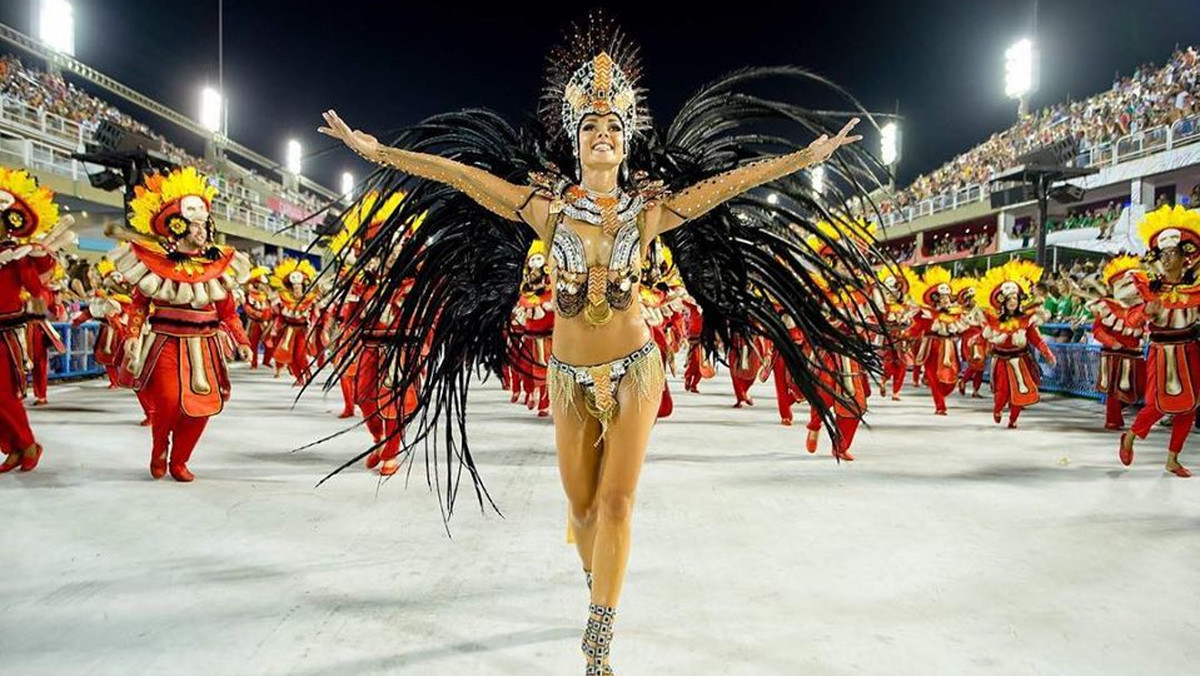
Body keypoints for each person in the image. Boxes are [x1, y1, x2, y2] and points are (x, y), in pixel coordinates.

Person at [317, 15, 884, 674]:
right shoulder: (543, 208)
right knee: (582, 507)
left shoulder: (651, 211)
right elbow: (459, 177)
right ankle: (598, 583)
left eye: (614, 126)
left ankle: (599, 636)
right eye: (591, 126)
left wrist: (803, 159)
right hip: (566, 373)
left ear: (629, 139)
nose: (604, 134)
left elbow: (731, 185)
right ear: (575, 138)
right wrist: (381, 153)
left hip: (636, 367)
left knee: (616, 503)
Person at [113, 166, 253, 481]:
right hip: (165, 341)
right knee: (168, 400)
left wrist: (242, 340)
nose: (201, 228)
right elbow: (139, 303)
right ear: (177, 224)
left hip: (206, 345)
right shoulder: (155, 263)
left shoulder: (220, 264)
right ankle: (160, 444)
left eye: (205, 222)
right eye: (194, 222)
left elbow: (228, 311)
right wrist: (133, 334)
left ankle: (180, 459)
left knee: (201, 406)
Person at [0, 166, 74, 473]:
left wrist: (38, 251)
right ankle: (15, 447)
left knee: (3, 394)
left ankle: (27, 444)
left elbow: (37, 285)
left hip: (5, 333)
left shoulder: (19, 255)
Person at [1119, 205, 1200, 477]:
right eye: (1162, 254)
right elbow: (1128, 319)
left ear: (1184, 256)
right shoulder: (1146, 286)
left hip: (1189, 350)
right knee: (1156, 404)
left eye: (1172, 253)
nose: (1166, 259)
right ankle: (1131, 436)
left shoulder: (1195, 287)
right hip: (1161, 351)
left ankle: (1172, 459)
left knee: (1190, 405)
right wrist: (1144, 312)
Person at [977, 261, 1057, 428]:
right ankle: (998, 409)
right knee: (1003, 392)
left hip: (1021, 359)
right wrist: (977, 345)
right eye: (1009, 298)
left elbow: (1037, 339)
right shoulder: (994, 320)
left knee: (1021, 391)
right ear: (1003, 301)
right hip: (1001, 361)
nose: (1013, 301)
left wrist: (1048, 354)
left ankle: (1013, 419)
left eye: (1015, 297)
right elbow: (984, 337)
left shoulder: (1026, 320)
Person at [1078, 256, 1147, 430]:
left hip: (1135, 353)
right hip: (1114, 353)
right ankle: (1113, 420)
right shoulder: (1107, 306)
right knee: (1114, 390)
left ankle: (1120, 413)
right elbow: (1098, 330)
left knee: (1141, 386)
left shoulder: (1143, 307)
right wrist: (1113, 342)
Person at [910, 266, 967, 414]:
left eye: (947, 297)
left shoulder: (957, 314)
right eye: (941, 298)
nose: (945, 300)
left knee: (951, 378)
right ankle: (940, 405)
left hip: (949, 348)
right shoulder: (927, 313)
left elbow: (967, 329)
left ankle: (942, 395)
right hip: (931, 347)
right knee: (933, 376)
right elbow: (915, 327)